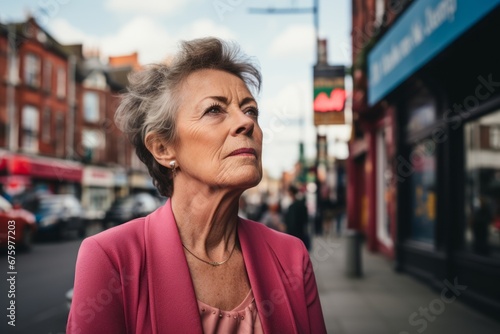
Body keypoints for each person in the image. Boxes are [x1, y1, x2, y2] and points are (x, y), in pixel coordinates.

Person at [67, 38, 326, 334]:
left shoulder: (291, 256)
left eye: (251, 110)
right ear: (163, 148)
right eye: (214, 110)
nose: (246, 123)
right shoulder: (110, 258)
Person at [284, 185, 311, 250]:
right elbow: (306, 219)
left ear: (290, 193)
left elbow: (291, 221)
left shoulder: (293, 206)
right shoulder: (301, 204)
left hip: (294, 233)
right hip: (300, 231)